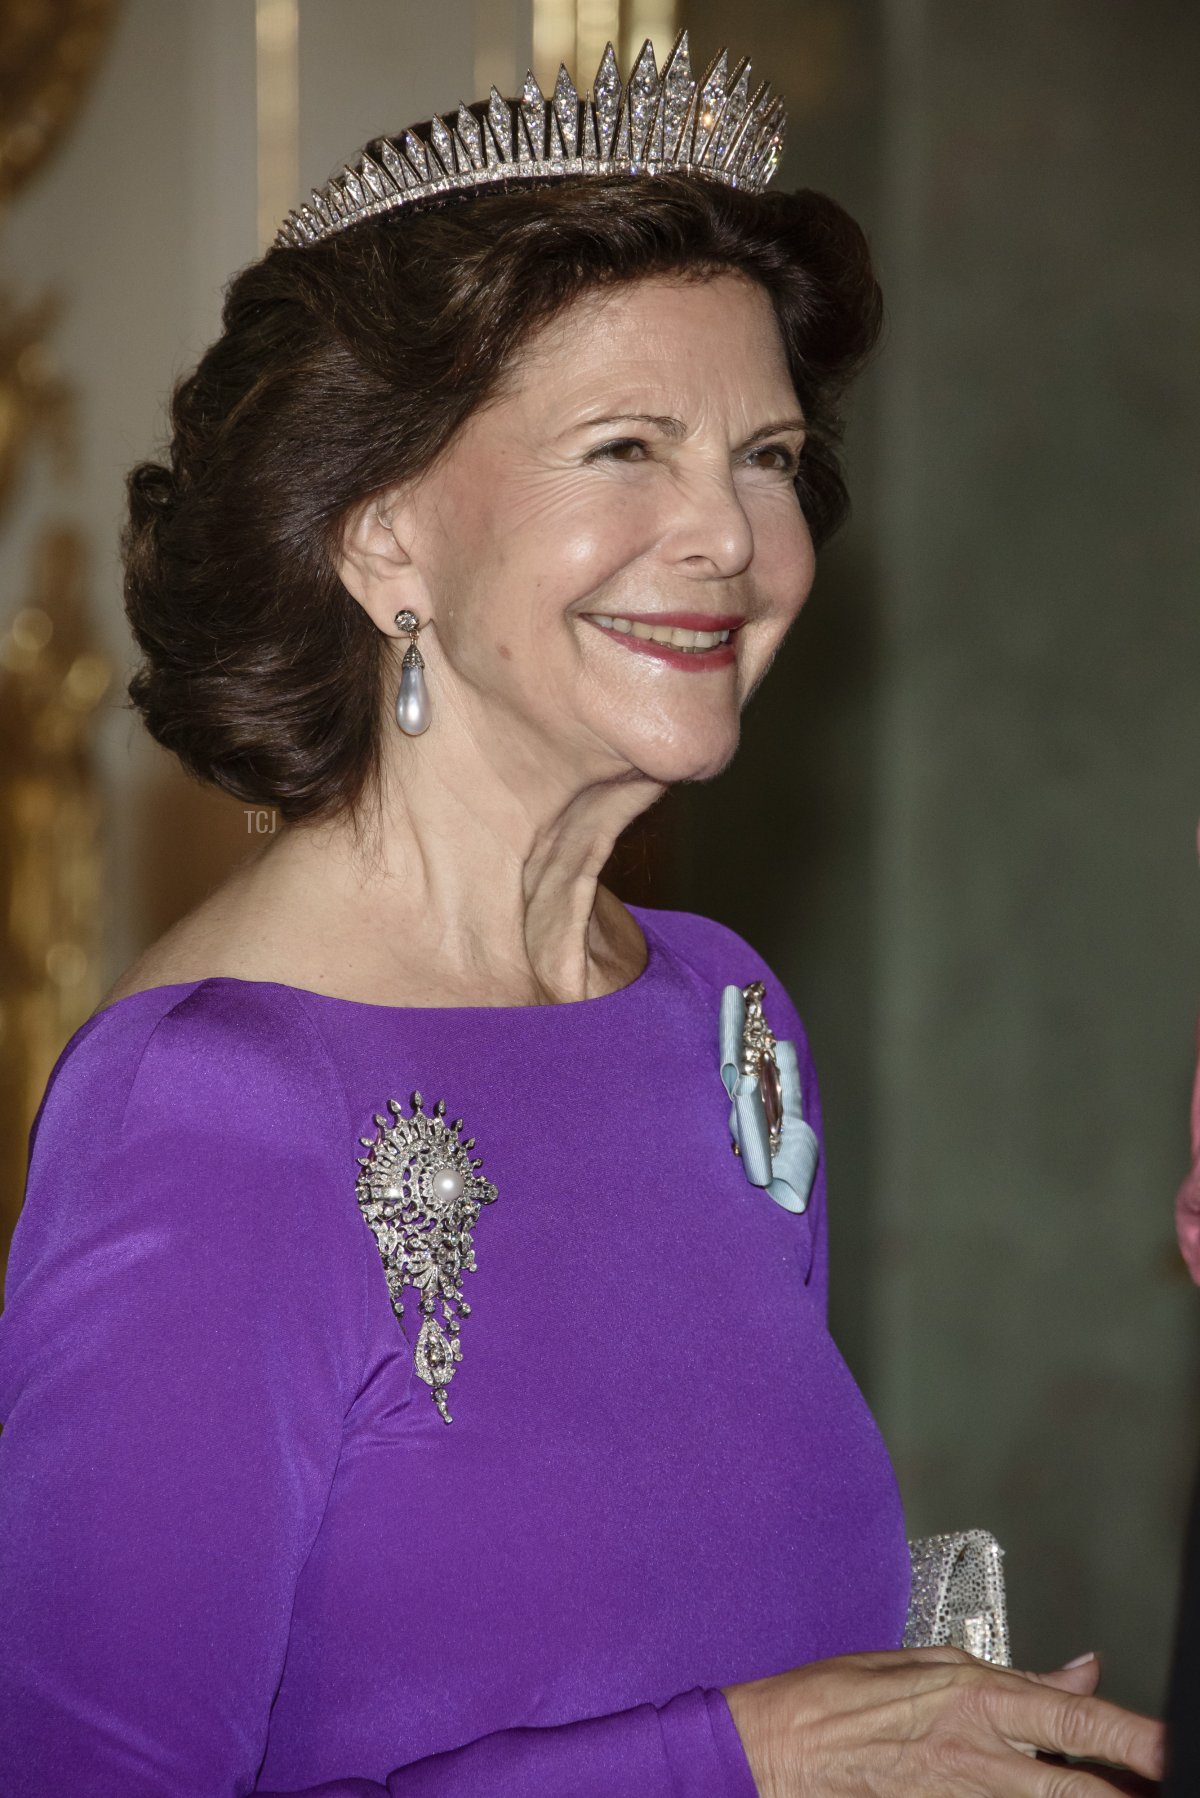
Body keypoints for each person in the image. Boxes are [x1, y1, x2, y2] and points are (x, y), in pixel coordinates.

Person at [0, 33, 1163, 1798]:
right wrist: (746, 1758)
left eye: (766, 456)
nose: (732, 535)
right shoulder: (212, 1107)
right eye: (626, 446)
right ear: (383, 539)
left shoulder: (723, 1017)